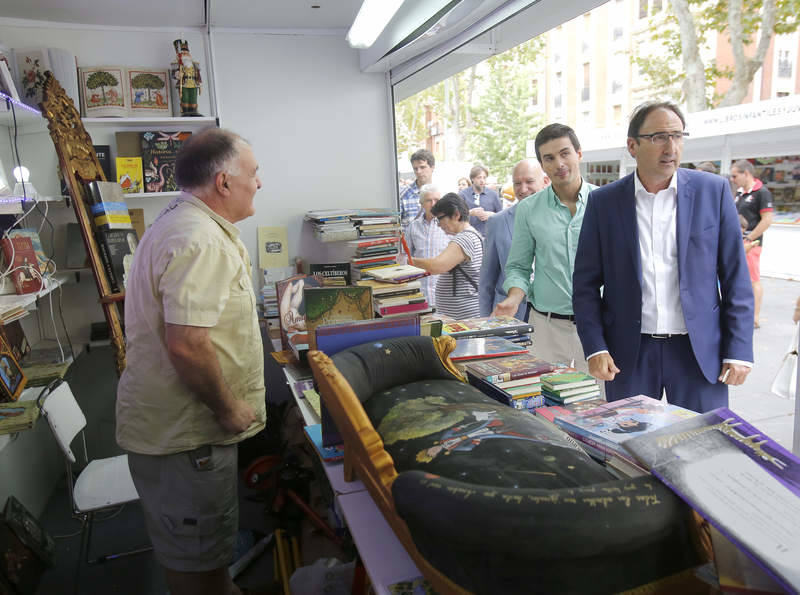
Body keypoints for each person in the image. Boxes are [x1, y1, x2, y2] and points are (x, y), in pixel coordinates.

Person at [116, 128, 265, 595]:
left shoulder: (185, 223)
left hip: (180, 437)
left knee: (205, 559)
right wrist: (228, 409)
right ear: (223, 182)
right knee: (196, 572)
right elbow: (186, 344)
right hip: (188, 439)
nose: (259, 183)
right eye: (253, 173)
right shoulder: (200, 239)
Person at [572, 101, 754, 413]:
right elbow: (586, 285)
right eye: (658, 137)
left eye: (677, 136)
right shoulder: (604, 203)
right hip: (629, 352)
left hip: (698, 351)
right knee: (630, 449)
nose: (671, 147)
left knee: (703, 446)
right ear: (633, 145)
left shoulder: (713, 191)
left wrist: (739, 349)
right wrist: (595, 347)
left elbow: (736, 275)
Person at [494, 124, 594, 371]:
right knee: (545, 402)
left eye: (565, 153)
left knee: (599, 403)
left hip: (595, 326)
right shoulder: (529, 209)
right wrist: (515, 296)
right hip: (547, 327)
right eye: (549, 158)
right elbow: (518, 266)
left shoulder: (604, 202)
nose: (559, 163)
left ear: (579, 154)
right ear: (543, 165)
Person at [480, 158, 550, 320]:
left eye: (529, 181)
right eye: (517, 183)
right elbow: (487, 279)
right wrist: (485, 323)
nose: (523, 189)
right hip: (508, 315)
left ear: (545, 181)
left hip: (550, 317)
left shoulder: (560, 218)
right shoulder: (497, 222)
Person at [413, 193, 483, 319]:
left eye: (439, 218)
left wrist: (407, 261)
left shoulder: (465, 238)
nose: (438, 225)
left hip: (464, 318)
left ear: (456, 214)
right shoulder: (471, 235)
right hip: (461, 316)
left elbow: (436, 266)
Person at [730, 159, 774, 329]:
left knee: (753, 279)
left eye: (735, 175)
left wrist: (749, 239)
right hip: (738, 242)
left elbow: (767, 220)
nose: (733, 179)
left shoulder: (762, 192)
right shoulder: (740, 194)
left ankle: (755, 317)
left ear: (746, 173)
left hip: (751, 244)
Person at [405, 184, 449, 307]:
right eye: (429, 200)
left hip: (443, 292)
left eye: (436, 200)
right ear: (421, 203)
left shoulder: (448, 225)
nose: (433, 204)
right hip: (420, 291)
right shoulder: (413, 227)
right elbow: (405, 257)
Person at [458, 164, 502, 237]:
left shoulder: (493, 195)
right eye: (479, 177)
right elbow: (456, 216)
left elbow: (502, 215)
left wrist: (491, 215)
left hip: (488, 237)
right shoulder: (463, 194)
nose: (482, 180)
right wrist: (470, 213)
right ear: (472, 179)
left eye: (484, 178)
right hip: (468, 236)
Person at [400, 149, 435, 228]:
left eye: (422, 167)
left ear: (432, 167)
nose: (418, 171)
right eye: (415, 168)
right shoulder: (403, 196)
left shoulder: (441, 195)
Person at [173, 39, 202, 116]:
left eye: (186, 52)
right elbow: (174, 74)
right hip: (184, 83)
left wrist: (199, 80)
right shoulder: (178, 64)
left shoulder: (194, 64)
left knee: (193, 98)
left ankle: (194, 112)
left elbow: (198, 72)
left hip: (193, 83)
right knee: (185, 98)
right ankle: (185, 113)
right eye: (183, 52)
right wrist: (178, 74)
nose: (185, 54)